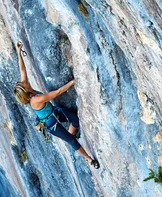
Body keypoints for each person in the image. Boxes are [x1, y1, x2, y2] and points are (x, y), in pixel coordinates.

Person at [13, 41, 100, 169]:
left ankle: (72, 134)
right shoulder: (36, 99)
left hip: (54, 113)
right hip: (51, 124)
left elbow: (22, 69)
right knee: (71, 141)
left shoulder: (27, 88)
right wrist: (74, 81)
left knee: (75, 120)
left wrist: (19, 52)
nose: (24, 81)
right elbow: (57, 92)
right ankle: (89, 160)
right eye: (23, 84)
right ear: (25, 90)